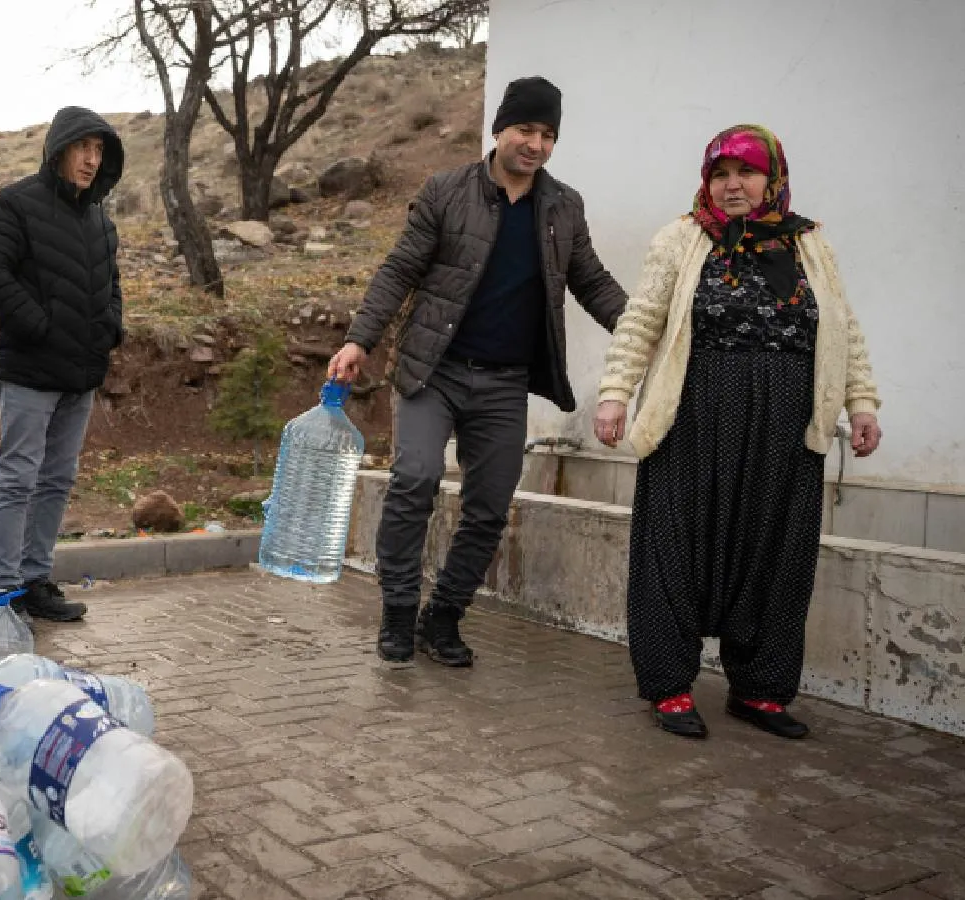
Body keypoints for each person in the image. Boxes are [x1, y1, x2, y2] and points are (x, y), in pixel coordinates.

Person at [595, 124, 882, 740]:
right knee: (674, 545)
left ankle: (760, 689)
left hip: (787, 421)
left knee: (776, 555)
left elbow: (842, 330)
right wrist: (616, 394)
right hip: (693, 414)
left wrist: (861, 404)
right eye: (719, 175)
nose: (732, 187)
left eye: (745, 173)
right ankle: (670, 685)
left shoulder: (809, 245)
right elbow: (641, 318)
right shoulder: (682, 238)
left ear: (771, 178)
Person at [329, 77, 627, 667]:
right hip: (432, 371)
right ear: (500, 129)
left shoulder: (563, 207)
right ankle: (396, 612)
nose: (535, 144)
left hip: (504, 382)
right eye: (525, 130)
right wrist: (359, 338)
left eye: (547, 135)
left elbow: (591, 281)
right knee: (414, 479)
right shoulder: (447, 191)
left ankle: (443, 616)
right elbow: (400, 269)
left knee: (490, 505)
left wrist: (645, 335)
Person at [0, 106, 125, 623]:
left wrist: (110, 331)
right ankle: (4, 591)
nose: (91, 159)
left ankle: (35, 581)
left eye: (99, 150)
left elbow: (111, 288)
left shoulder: (101, 221)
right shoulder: (16, 203)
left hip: (80, 374)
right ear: (59, 150)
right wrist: (39, 327)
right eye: (83, 148)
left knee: (57, 479)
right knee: (18, 478)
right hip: (30, 370)